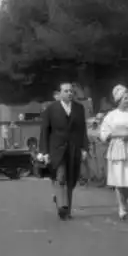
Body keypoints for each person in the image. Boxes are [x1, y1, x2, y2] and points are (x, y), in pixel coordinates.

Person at [37, 82, 90, 220]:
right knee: (61, 177)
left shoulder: (79, 109)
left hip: (74, 149)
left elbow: (82, 130)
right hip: (57, 149)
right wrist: (44, 151)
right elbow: (45, 131)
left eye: (71, 91)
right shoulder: (51, 109)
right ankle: (62, 207)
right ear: (60, 93)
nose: (69, 93)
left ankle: (68, 209)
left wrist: (85, 148)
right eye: (66, 91)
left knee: (71, 180)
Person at [99, 84, 128, 220]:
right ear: (118, 100)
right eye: (125, 98)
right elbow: (103, 133)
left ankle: (124, 201)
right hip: (117, 148)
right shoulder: (111, 116)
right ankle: (121, 206)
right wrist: (116, 135)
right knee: (119, 180)